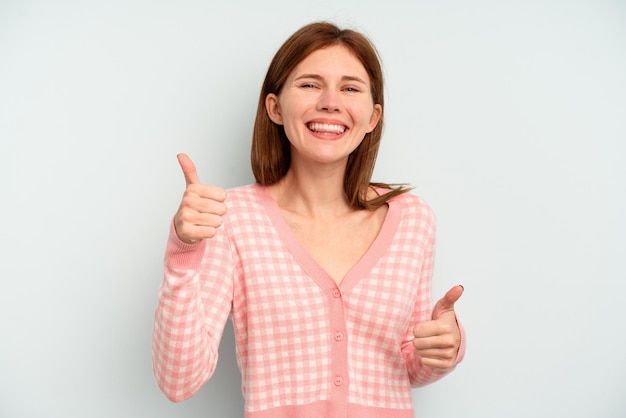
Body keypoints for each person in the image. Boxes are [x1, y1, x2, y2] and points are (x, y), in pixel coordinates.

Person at [152, 21, 466, 418]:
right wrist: (183, 253)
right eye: (310, 85)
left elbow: (407, 366)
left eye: (350, 88)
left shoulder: (412, 220)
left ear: (372, 116)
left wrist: (444, 347)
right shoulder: (233, 218)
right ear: (275, 108)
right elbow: (178, 380)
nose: (330, 102)